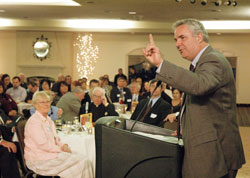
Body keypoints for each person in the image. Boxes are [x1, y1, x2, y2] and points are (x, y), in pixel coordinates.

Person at [143, 18, 245, 178]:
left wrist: (161, 64)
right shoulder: (201, 63)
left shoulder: (213, 59)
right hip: (208, 152)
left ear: (199, 37)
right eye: (176, 39)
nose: (177, 44)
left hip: (215, 156)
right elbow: (203, 107)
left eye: (182, 37)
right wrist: (183, 129)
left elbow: (199, 85)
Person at [24, 91, 93, 178]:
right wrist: (60, 149)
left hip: (50, 154)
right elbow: (43, 145)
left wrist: (63, 145)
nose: (46, 104)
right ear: (35, 105)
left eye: (48, 101)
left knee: (84, 160)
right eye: (42, 102)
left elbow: (56, 139)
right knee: (82, 162)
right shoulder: (34, 122)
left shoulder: (48, 120)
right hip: (38, 160)